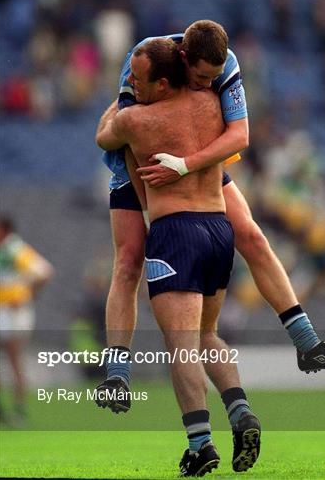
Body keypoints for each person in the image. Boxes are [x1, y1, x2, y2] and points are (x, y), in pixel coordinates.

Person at [95, 20, 325, 408]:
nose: (208, 84)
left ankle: (307, 343)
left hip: (192, 167)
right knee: (128, 264)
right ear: (183, 59)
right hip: (137, 172)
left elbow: (239, 135)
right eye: (202, 77)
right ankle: (117, 374)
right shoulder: (145, 62)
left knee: (252, 236)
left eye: (214, 78)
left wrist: (185, 165)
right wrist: (151, 209)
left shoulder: (226, 63)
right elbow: (127, 141)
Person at [96, 38, 261, 475]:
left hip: (173, 230)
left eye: (137, 76)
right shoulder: (212, 106)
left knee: (179, 344)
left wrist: (122, 97)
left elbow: (102, 135)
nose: (130, 80)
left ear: (162, 83)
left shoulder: (135, 118)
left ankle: (200, 444)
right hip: (217, 229)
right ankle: (240, 410)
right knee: (207, 335)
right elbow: (237, 136)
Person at [0, 215, 54, 424]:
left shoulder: (15, 249)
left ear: (5, 230)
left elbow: (44, 273)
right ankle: (1, 408)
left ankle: (19, 408)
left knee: (14, 359)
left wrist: (24, 294)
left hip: (13, 313)